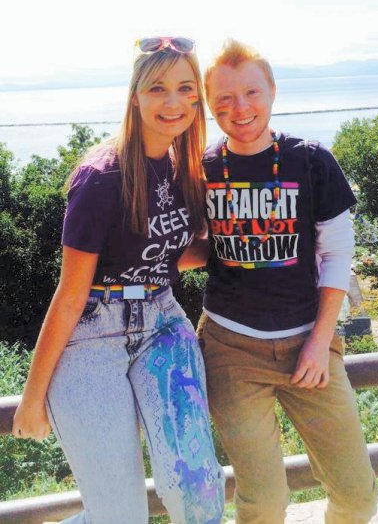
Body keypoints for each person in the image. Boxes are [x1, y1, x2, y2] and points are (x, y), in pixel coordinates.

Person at [12, 36, 225, 524]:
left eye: (185, 88)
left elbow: (167, 254)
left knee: (199, 496)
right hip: (92, 335)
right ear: (135, 96)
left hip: (163, 325)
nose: (173, 102)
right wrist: (31, 398)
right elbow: (70, 294)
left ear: (197, 97)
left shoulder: (184, 166)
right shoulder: (100, 178)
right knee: (118, 517)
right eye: (157, 89)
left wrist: (248, 250)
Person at [196, 39, 378, 524]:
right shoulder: (203, 170)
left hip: (309, 344)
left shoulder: (312, 161)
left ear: (272, 91)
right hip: (231, 350)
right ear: (211, 106)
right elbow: (194, 247)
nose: (241, 108)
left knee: (358, 495)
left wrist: (321, 343)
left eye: (252, 92)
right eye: (225, 99)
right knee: (263, 503)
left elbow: (337, 254)